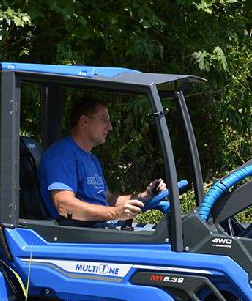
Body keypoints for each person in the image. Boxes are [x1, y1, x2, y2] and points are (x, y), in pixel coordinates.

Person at [39, 96, 166, 224]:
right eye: (104, 120)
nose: (110, 127)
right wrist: (115, 213)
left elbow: (108, 199)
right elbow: (64, 206)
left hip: (97, 227)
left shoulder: (91, 159)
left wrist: (145, 195)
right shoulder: (62, 154)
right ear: (84, 121)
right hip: (78, 232)